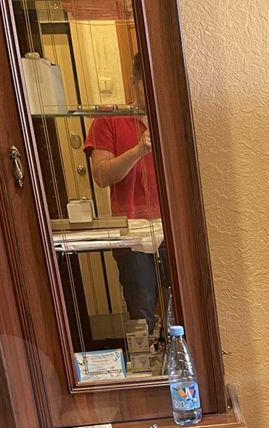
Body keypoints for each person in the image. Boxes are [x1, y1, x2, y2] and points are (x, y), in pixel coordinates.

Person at [85, 55, 164, 334]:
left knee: (185, 307)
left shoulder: (172, 116)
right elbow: (101, 176)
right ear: (134, 82)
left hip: (173, 226)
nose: (153, 92)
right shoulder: (109, 119)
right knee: (141, 310)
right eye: (146, 85)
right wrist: (138, 151)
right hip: (132, 229)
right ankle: (145, 360)